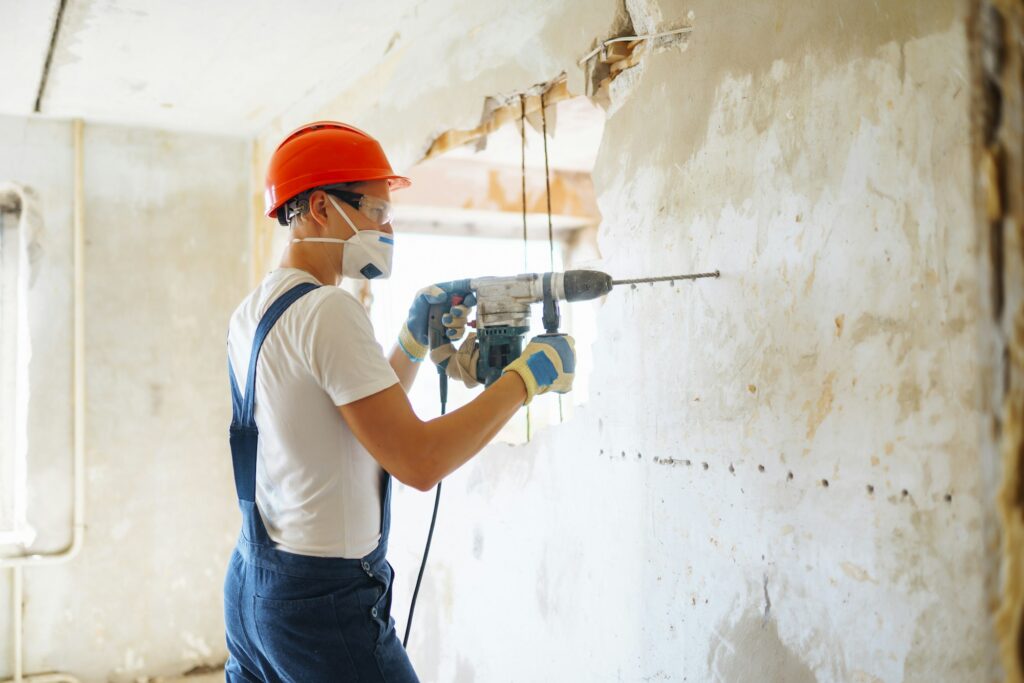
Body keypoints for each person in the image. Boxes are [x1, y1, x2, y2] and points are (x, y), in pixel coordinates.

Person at [222, 121, 575, 682]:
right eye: (376, 211)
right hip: (323, 605)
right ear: (320, 206)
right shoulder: (329, 310)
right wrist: (527, 378)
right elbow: (418, 461)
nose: (387, 228)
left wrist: (411, 342)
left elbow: (351, 418)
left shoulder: (254, 312)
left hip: (253, 586)